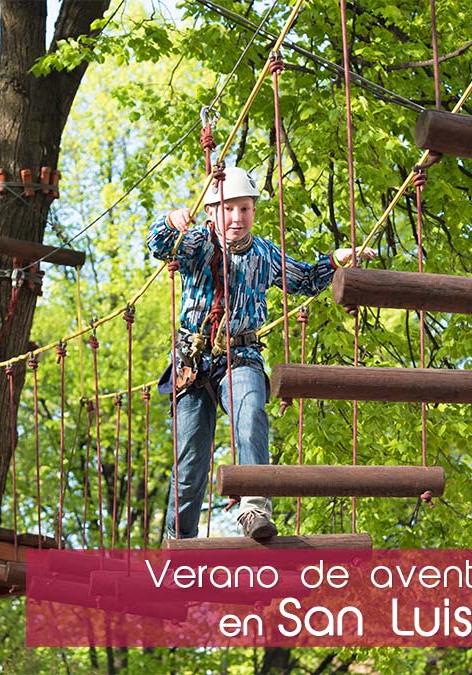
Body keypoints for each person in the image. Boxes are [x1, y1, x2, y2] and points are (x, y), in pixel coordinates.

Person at [147, 167, 374, 539]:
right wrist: (170, 221)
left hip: (242, 355)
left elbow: (302, 279)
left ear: (254, 211)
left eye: (244, 209)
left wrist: (335, 260)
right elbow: (160, 245)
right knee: (190, 460)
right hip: (193, 361)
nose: (236, 218)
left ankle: (254, 510)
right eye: (228, 209)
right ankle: (180, 539)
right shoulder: (198, 244)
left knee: (251, 414)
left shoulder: (264, 253)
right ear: (211, 213)